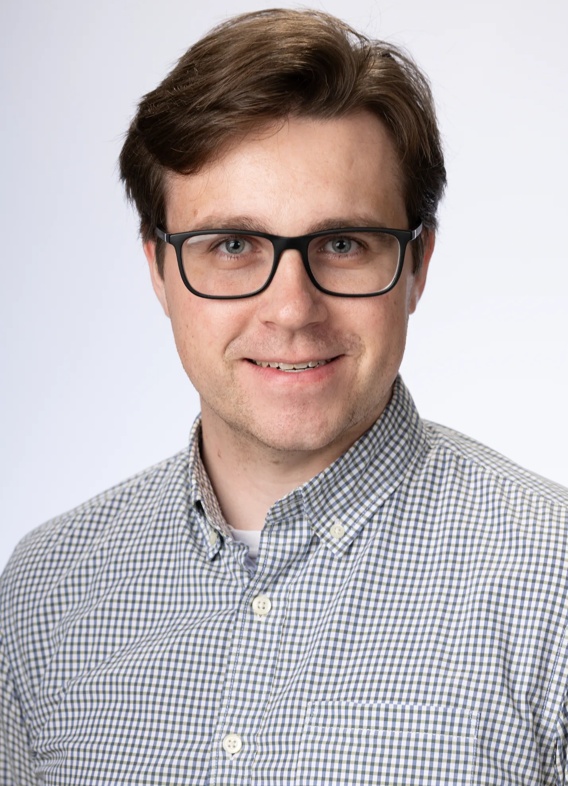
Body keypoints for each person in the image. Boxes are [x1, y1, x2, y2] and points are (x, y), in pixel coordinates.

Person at [1, 8, 567, 784]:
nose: (293, 310)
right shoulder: (38, 597)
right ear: (159, 270)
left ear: (418, 265)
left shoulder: (554, 584)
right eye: (232, 246)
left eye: (342, 244)